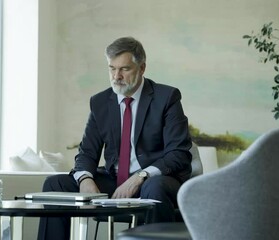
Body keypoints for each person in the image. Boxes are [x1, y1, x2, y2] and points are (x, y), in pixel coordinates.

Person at [37, 36, 192, 240]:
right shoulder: (100, 102)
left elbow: (178, 154)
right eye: (112, 68)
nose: (116, 76)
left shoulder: (167, 98)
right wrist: (85, 178)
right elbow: (87, 152)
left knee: (155, 187)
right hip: (115, 182)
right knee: (54, 185)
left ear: (142, 68)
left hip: (156, 181)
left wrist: (140, 177)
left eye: (124, 69)